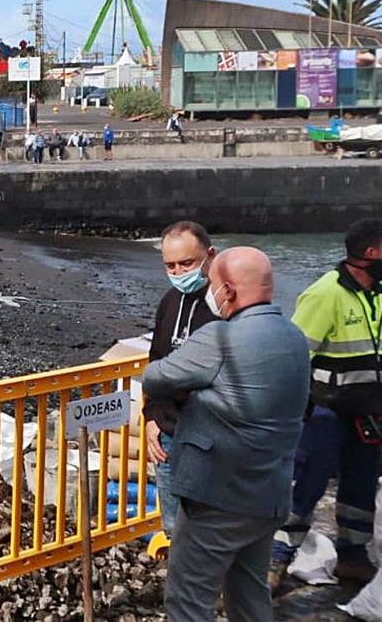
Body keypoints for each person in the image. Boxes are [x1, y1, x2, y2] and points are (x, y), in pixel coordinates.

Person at [143, 247, 310, 622]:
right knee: (249, 596)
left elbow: (155, 376)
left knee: (188, 601)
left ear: (228, 291)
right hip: (269, 495)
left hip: (217, 496)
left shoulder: (218, 338)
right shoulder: (295, 338)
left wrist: (195, 389)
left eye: (213, 286)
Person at [271, 219, 382, 588]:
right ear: (371, 253)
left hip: (368, 414)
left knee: (361, 488)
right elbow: (294, 356)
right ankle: (275, 559)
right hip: (325, 413)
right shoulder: (325, 294)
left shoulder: (378, 293)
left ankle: (353, 556)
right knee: (306, 484)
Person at [143, 221, 220, 541]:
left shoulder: (227, 306)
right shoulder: (170, 301)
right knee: (175, 527)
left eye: (186, 263)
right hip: (169, 434)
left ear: (210, 256)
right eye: (170, 265)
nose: (178, 273)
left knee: (211, 528)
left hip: (212, 439)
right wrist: (150, 419)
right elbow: (156, 363)